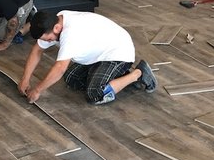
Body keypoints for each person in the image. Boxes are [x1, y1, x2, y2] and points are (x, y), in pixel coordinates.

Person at [18, 9, 157, 105]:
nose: (48, 42)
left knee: (95, 94)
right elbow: (37, 50)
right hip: (98, 53)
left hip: (118, 53)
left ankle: (138, 74)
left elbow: (60, 68)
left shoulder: (70, 33)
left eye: (48, 39)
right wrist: (25, 79)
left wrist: (37, 90)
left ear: (57, 28)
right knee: (72, 79)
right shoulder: (56, 20)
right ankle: (117, 77)